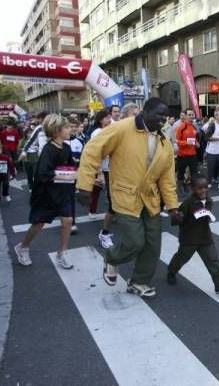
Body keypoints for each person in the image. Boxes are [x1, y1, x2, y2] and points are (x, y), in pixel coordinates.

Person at [76, 97, 180, 298]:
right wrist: (84, 185)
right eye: (160, 114)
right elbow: (92, 151)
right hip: (124, 195)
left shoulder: (164, 142)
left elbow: (167, 179)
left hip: (150, 199)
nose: (164, 119)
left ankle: (139, 282)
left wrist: (173, 207)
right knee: (134, 242)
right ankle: (112, 258)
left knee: (152, 245)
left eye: (166, 115)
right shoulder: (122, 128)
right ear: (146, 111)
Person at [14, 114, 76, 270]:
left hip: (62, 191)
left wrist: (78, 171)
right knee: (39, 224)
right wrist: (65, 175)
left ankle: (62, 253)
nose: (71, 129)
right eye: (67, 127)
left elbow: (70, 168)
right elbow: (42, 174)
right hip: (45, 194)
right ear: (56, 130)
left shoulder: (66, 148)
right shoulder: (48, 150)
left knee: (68, 221)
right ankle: (23, 246)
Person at [166, 173, 219, 293]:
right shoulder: (187, 203)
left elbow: (206, 215)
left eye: (205, 187)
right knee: (182, 258)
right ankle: (171, 272)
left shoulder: (209, 200)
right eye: (200, 188)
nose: (204, 190)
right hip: (189, 238)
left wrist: (208, 216)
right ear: (193, 189)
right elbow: (177, 219)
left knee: (213, 260)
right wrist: (177, 217)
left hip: (205, 236)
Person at [88, 109, 115, 245]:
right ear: (100, 120)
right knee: (112, 200)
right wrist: (99, 173)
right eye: (106, 118)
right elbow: (96, 153)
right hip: (105, 169)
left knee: (114, 200)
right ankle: (104, 233)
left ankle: (106, 229)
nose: (109, 119)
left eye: (110, 117)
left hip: (114, 169)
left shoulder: (112, 129)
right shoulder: (97, 133)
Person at [174, 107, 200, 197]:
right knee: (180, 175)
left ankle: (194, 190)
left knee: (194, 174)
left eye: (192, 115)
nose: (191, 116)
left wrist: (197, 143)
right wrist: (186, 142)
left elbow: (194, 139)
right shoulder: (181, 127)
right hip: (183, 155)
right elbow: (176, 141)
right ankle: (179, 189)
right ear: (185, 116)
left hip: (193, 155)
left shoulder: (193, 126)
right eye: (189, 115)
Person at [203, 109, 219, 190]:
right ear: (216, 116)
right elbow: (207, 137)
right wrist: (218, 139)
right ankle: (208, 182)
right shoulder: (212, 125)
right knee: (210, 167)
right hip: (211, 150)